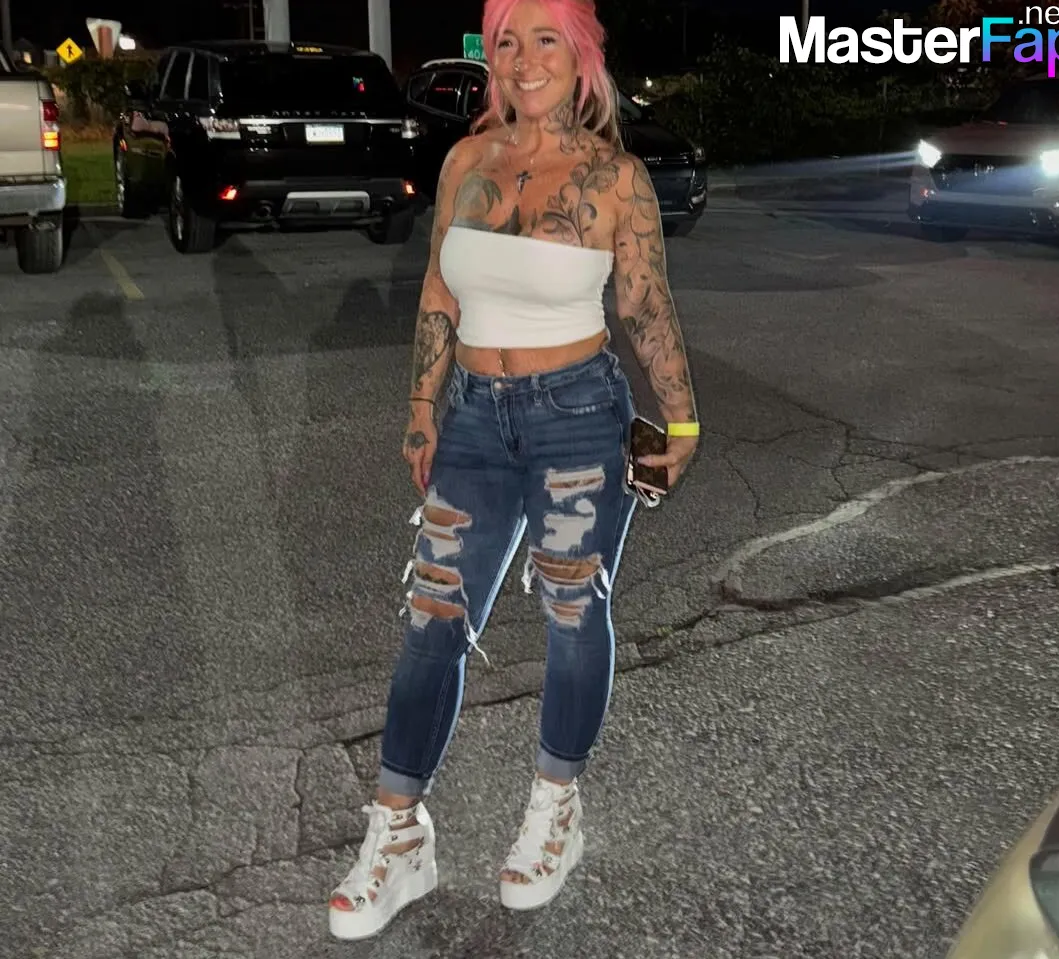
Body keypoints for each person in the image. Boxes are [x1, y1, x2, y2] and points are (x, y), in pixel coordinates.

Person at [327, 0, 699, 939]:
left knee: (573, 608)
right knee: (433, 615)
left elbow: (645, 300)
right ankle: (398, 833)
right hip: (472, 418)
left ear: (581, 57)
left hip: (578, 413)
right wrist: (423, 406)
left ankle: (554, 808)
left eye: (546, 40)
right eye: (507, 41)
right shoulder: (465, 162)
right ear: (490, 58)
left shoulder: (616, 176)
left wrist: (683, 415)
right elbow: (440, 287)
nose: (525, 59)